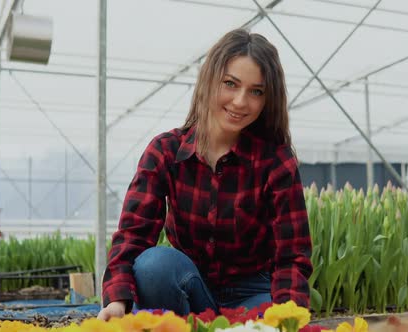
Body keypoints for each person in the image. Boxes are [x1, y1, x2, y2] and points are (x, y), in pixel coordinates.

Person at [97, 28, 312, 321]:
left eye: (256, 91)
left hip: (253, 292)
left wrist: (288, 318)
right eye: (230, 84)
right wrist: (117, 301)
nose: (240, 101)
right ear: (209, 80)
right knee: (152, 266)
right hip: (187, 284)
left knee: (260, 323)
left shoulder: (275, 161)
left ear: (267, 99)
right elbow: (133, 235)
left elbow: (292, 256)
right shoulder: (165, 151)